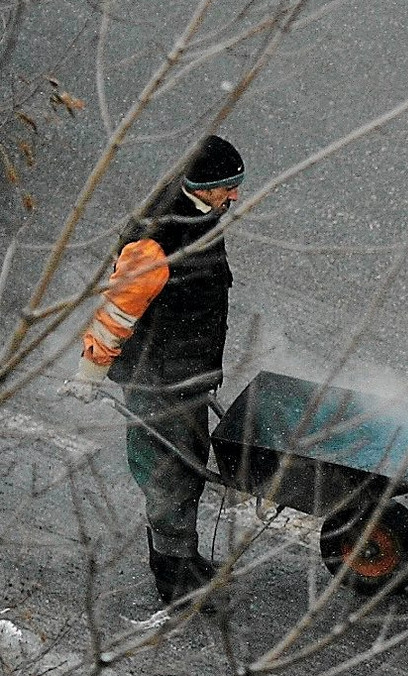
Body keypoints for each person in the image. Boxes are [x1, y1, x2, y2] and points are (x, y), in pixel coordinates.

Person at [59, 135, 243, 610]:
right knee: (167, 476)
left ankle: (184, 556)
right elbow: (117, 311)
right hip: (156, 380)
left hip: (188, 375)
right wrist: (90, 372)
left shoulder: (200, 215)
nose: (235, 196)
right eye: (227, 186)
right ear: (201, 186)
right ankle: (173, 578)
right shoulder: (156, 240)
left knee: (188, 471)